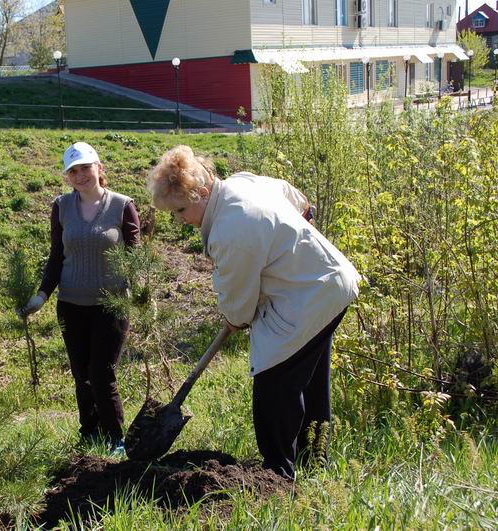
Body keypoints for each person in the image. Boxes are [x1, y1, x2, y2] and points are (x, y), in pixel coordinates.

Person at [146, 145, 360, 479]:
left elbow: (240, 306)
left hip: (308, 297)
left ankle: (277, 476)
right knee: (310, 381)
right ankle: (315, 462)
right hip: (328, 285)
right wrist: (297, 235)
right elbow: (296, 198)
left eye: (182, 210)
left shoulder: (231, 230)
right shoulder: (241, 183)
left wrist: (234, 316)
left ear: (201, 193)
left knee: (273, 387)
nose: (181, 220)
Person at [22, 142, 140, 455]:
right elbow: (57, 256)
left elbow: (134, 257)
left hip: (111, 306)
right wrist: (42, 295)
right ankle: (88, 437)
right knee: (81, 375)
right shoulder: (61, 207)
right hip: (71, 306)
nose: (80, 175)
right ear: (67, 176)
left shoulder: (122, 205)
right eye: (73, 170)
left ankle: (115, 439)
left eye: (85, 167)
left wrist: (141, 292)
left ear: (99, 168)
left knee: (101, 373)